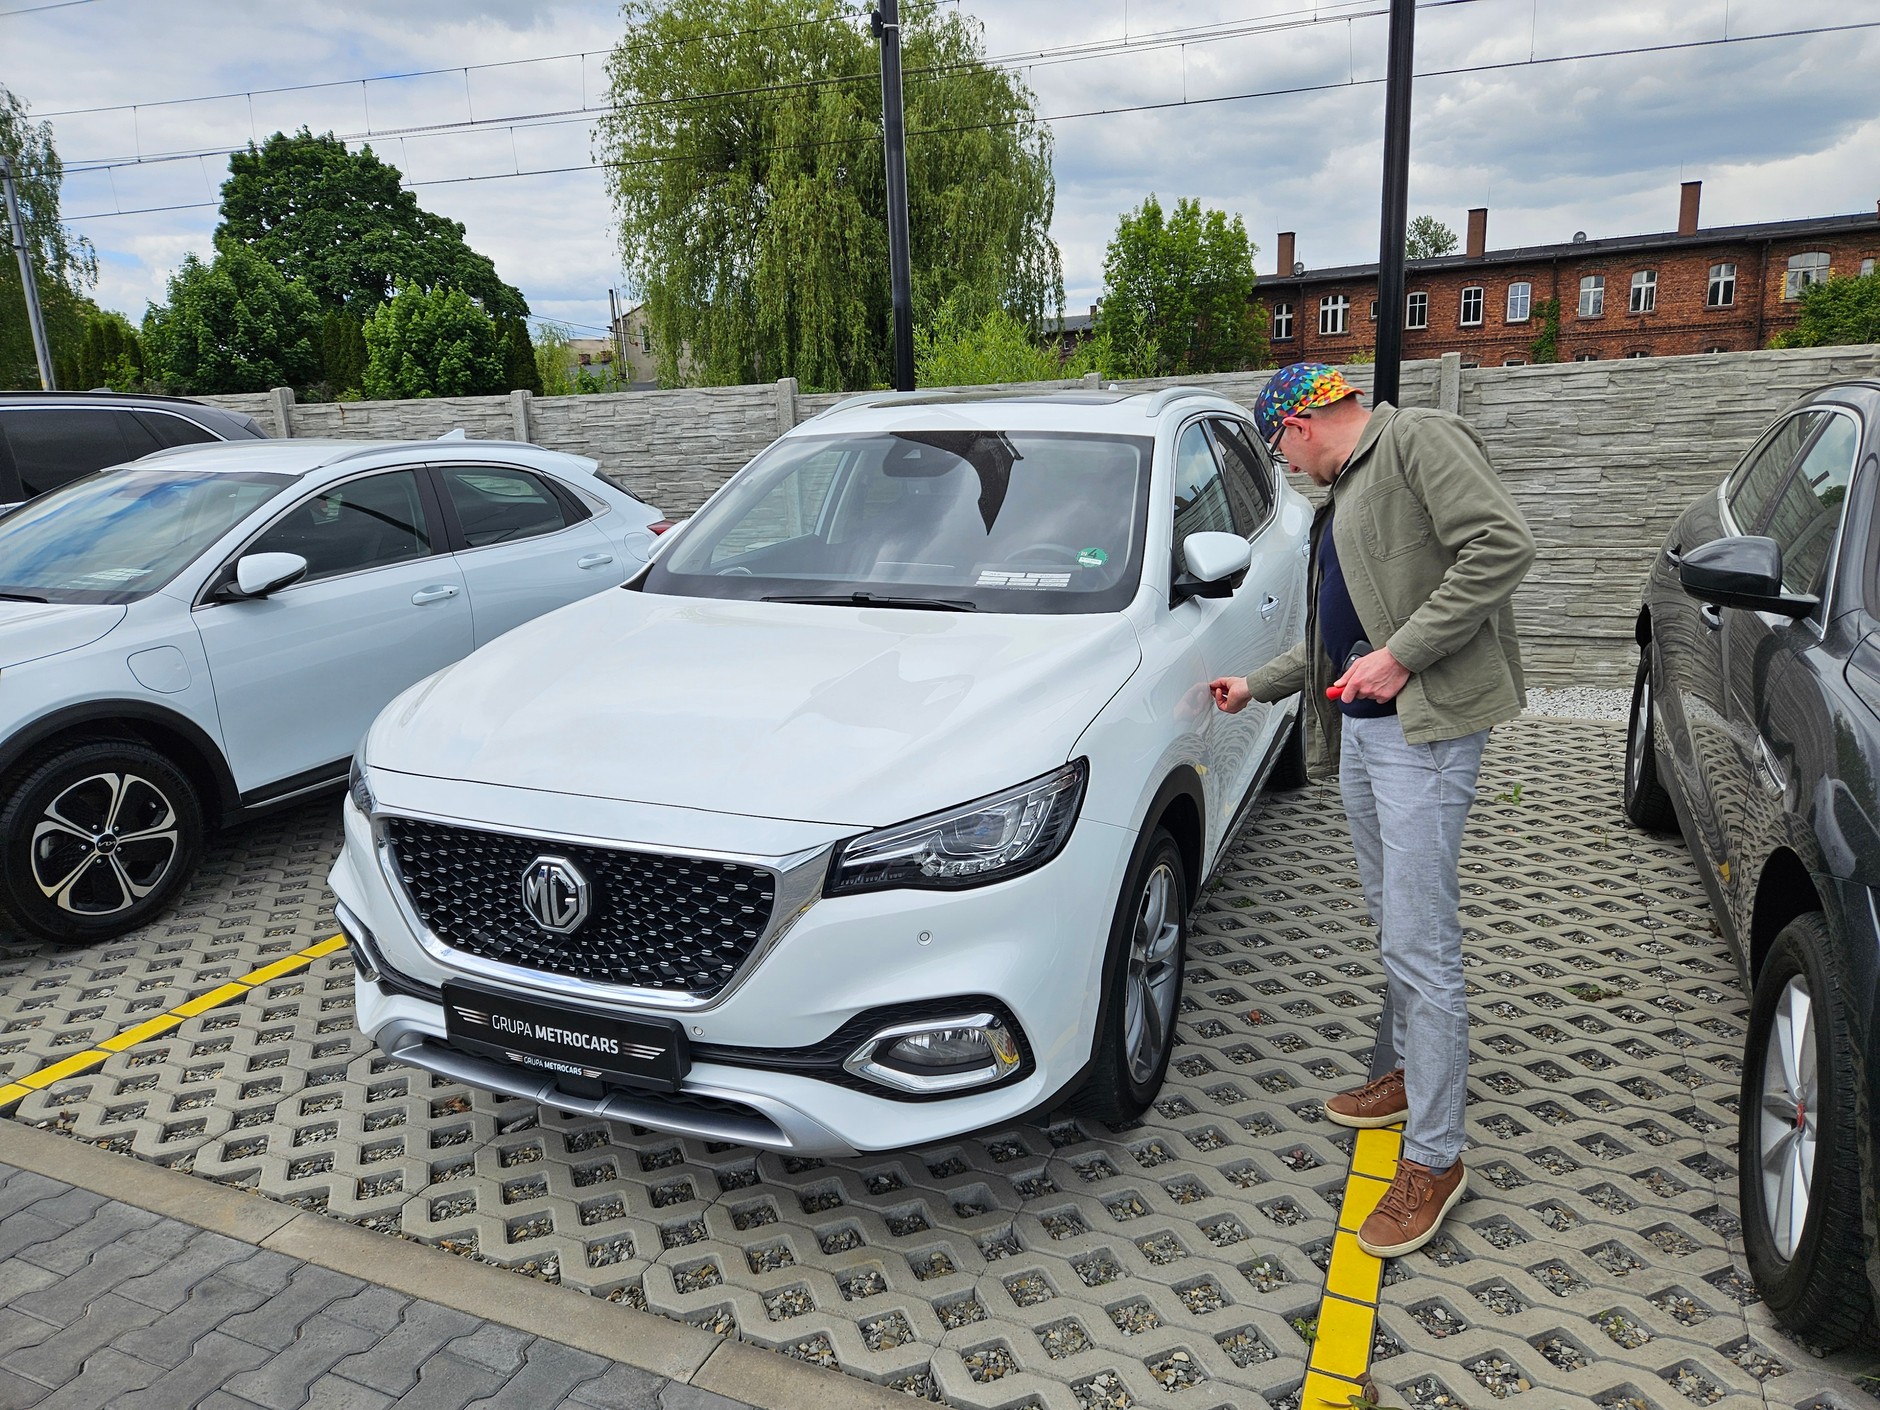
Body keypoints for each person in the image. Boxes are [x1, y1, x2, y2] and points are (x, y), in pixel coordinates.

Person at [1208, 362, 1535, 1258]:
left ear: (1303, 423)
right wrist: (1261, 684)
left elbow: (1502, 546)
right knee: (1395, 923)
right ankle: (1401, 1075)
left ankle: (1435, 1158)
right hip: (1365, 733)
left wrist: (1403, 655)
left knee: (1421, 943)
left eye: (1278, 447)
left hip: (1422, 733)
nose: (1284, 463)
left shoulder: (1419, 442)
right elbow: (1330, 638)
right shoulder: (1341, 496)